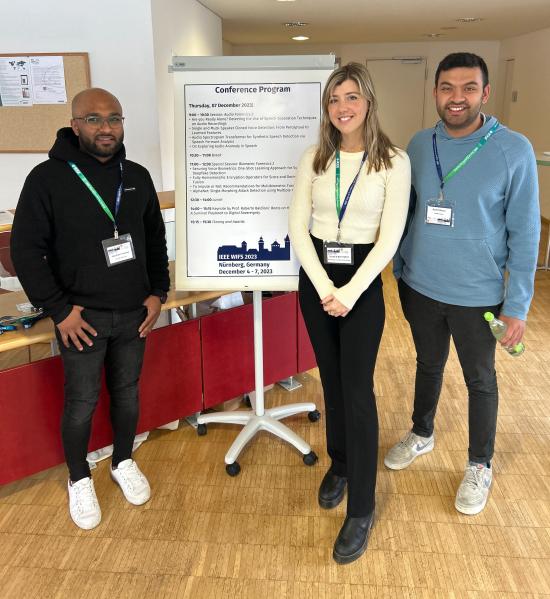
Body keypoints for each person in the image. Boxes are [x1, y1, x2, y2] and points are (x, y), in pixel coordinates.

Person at [385, 53, 540, 515]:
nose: (457, 98)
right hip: (421, 286)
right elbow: (405, 210)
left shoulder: (513, 150)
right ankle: (422, 432)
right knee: (427, 364)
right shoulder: (417, 144)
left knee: (480, 380)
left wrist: (518, 306)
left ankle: (479, 463)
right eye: (448, 88)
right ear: (435, 92)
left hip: (478, 295)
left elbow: (526, 233)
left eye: (468, 88)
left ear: (485, 94)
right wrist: (399, 265)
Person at [10, 88, 170, 530]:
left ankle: (122, 461)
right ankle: (79, 477)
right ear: (75, 123)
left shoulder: (136, 175)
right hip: (81, 320)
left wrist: (159, 292)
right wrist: (60, 311)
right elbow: (26, 252)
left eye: (114, 118)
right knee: (81, 403)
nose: (106, 128)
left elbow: (154, 240)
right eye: (95, 119)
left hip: (135, 313)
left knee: (127, 394)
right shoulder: (47, 178)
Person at [289, 63, 410, 564]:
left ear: (368, 102)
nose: (343, 106)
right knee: (331, 382)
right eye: (335, 98)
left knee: (357, 390)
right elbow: (299, 229)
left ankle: (361, 505)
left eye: (352, 96)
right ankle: (339, 463)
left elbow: (390, 237)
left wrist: (351, 292)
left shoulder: (394, 162)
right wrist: (324, 289)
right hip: (317, 276)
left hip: (362, 277)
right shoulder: (314, 159)